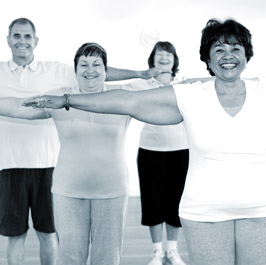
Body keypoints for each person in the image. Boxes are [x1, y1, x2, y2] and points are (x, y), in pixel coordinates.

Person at [22, 18, 266, 265]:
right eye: (218, 48)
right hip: (203, 213)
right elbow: (125, 101)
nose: (228, 54)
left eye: (235, 47)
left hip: (263, 210)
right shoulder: (190, 94)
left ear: (247, 54)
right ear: (207, 57)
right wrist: (68, 99)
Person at [0, 18, 158, 265]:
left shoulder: (122, 98)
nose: (90, 69)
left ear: (107, 70)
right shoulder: (58, 98)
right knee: (70, 257)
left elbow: (167, 99)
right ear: (75, 71)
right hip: (68, 191)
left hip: (112, 191)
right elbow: (20, 107)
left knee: (107, 258)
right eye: (83, 64)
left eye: (96, 64)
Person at [126, 41, 189, 265]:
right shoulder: (142, 85)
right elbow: (115, 92)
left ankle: (172, 250)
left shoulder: (184, 85)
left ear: (174, 60)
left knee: (176, 202)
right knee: (153, 202)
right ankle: (157, 251)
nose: (164, 57)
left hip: (181, 151)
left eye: (168, 54)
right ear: (152, 59)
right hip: (150, 151)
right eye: (159, 54)